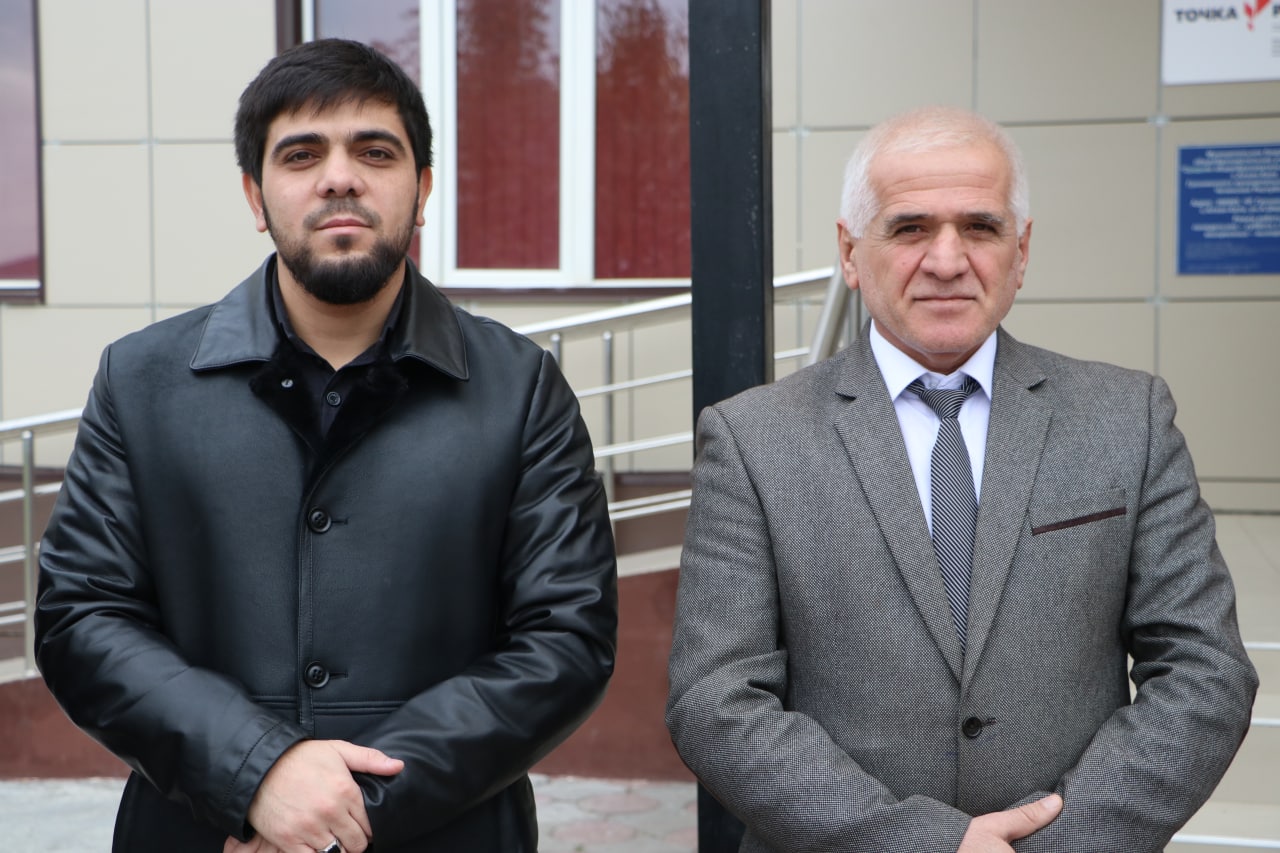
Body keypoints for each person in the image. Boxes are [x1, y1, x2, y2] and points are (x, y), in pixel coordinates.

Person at [35, 39, 617, 853]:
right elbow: (82, 617)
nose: (339, 177)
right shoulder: (141, 382)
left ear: (423, 189)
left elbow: (566, 639)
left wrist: (345, 809)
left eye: (375, 152)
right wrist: (255, 773)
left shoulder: (521, 388)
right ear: (255, 194)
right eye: (301, 154)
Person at [666, 106, 1258, 852]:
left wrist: (1060, 843)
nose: (946, 261)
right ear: (850, 252)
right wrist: (922, 843)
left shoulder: (1127, 419)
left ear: (1022, 251)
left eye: (980, 227)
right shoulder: (753, 438)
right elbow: (715, 698)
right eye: (909, 228)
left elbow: (1205, 671)